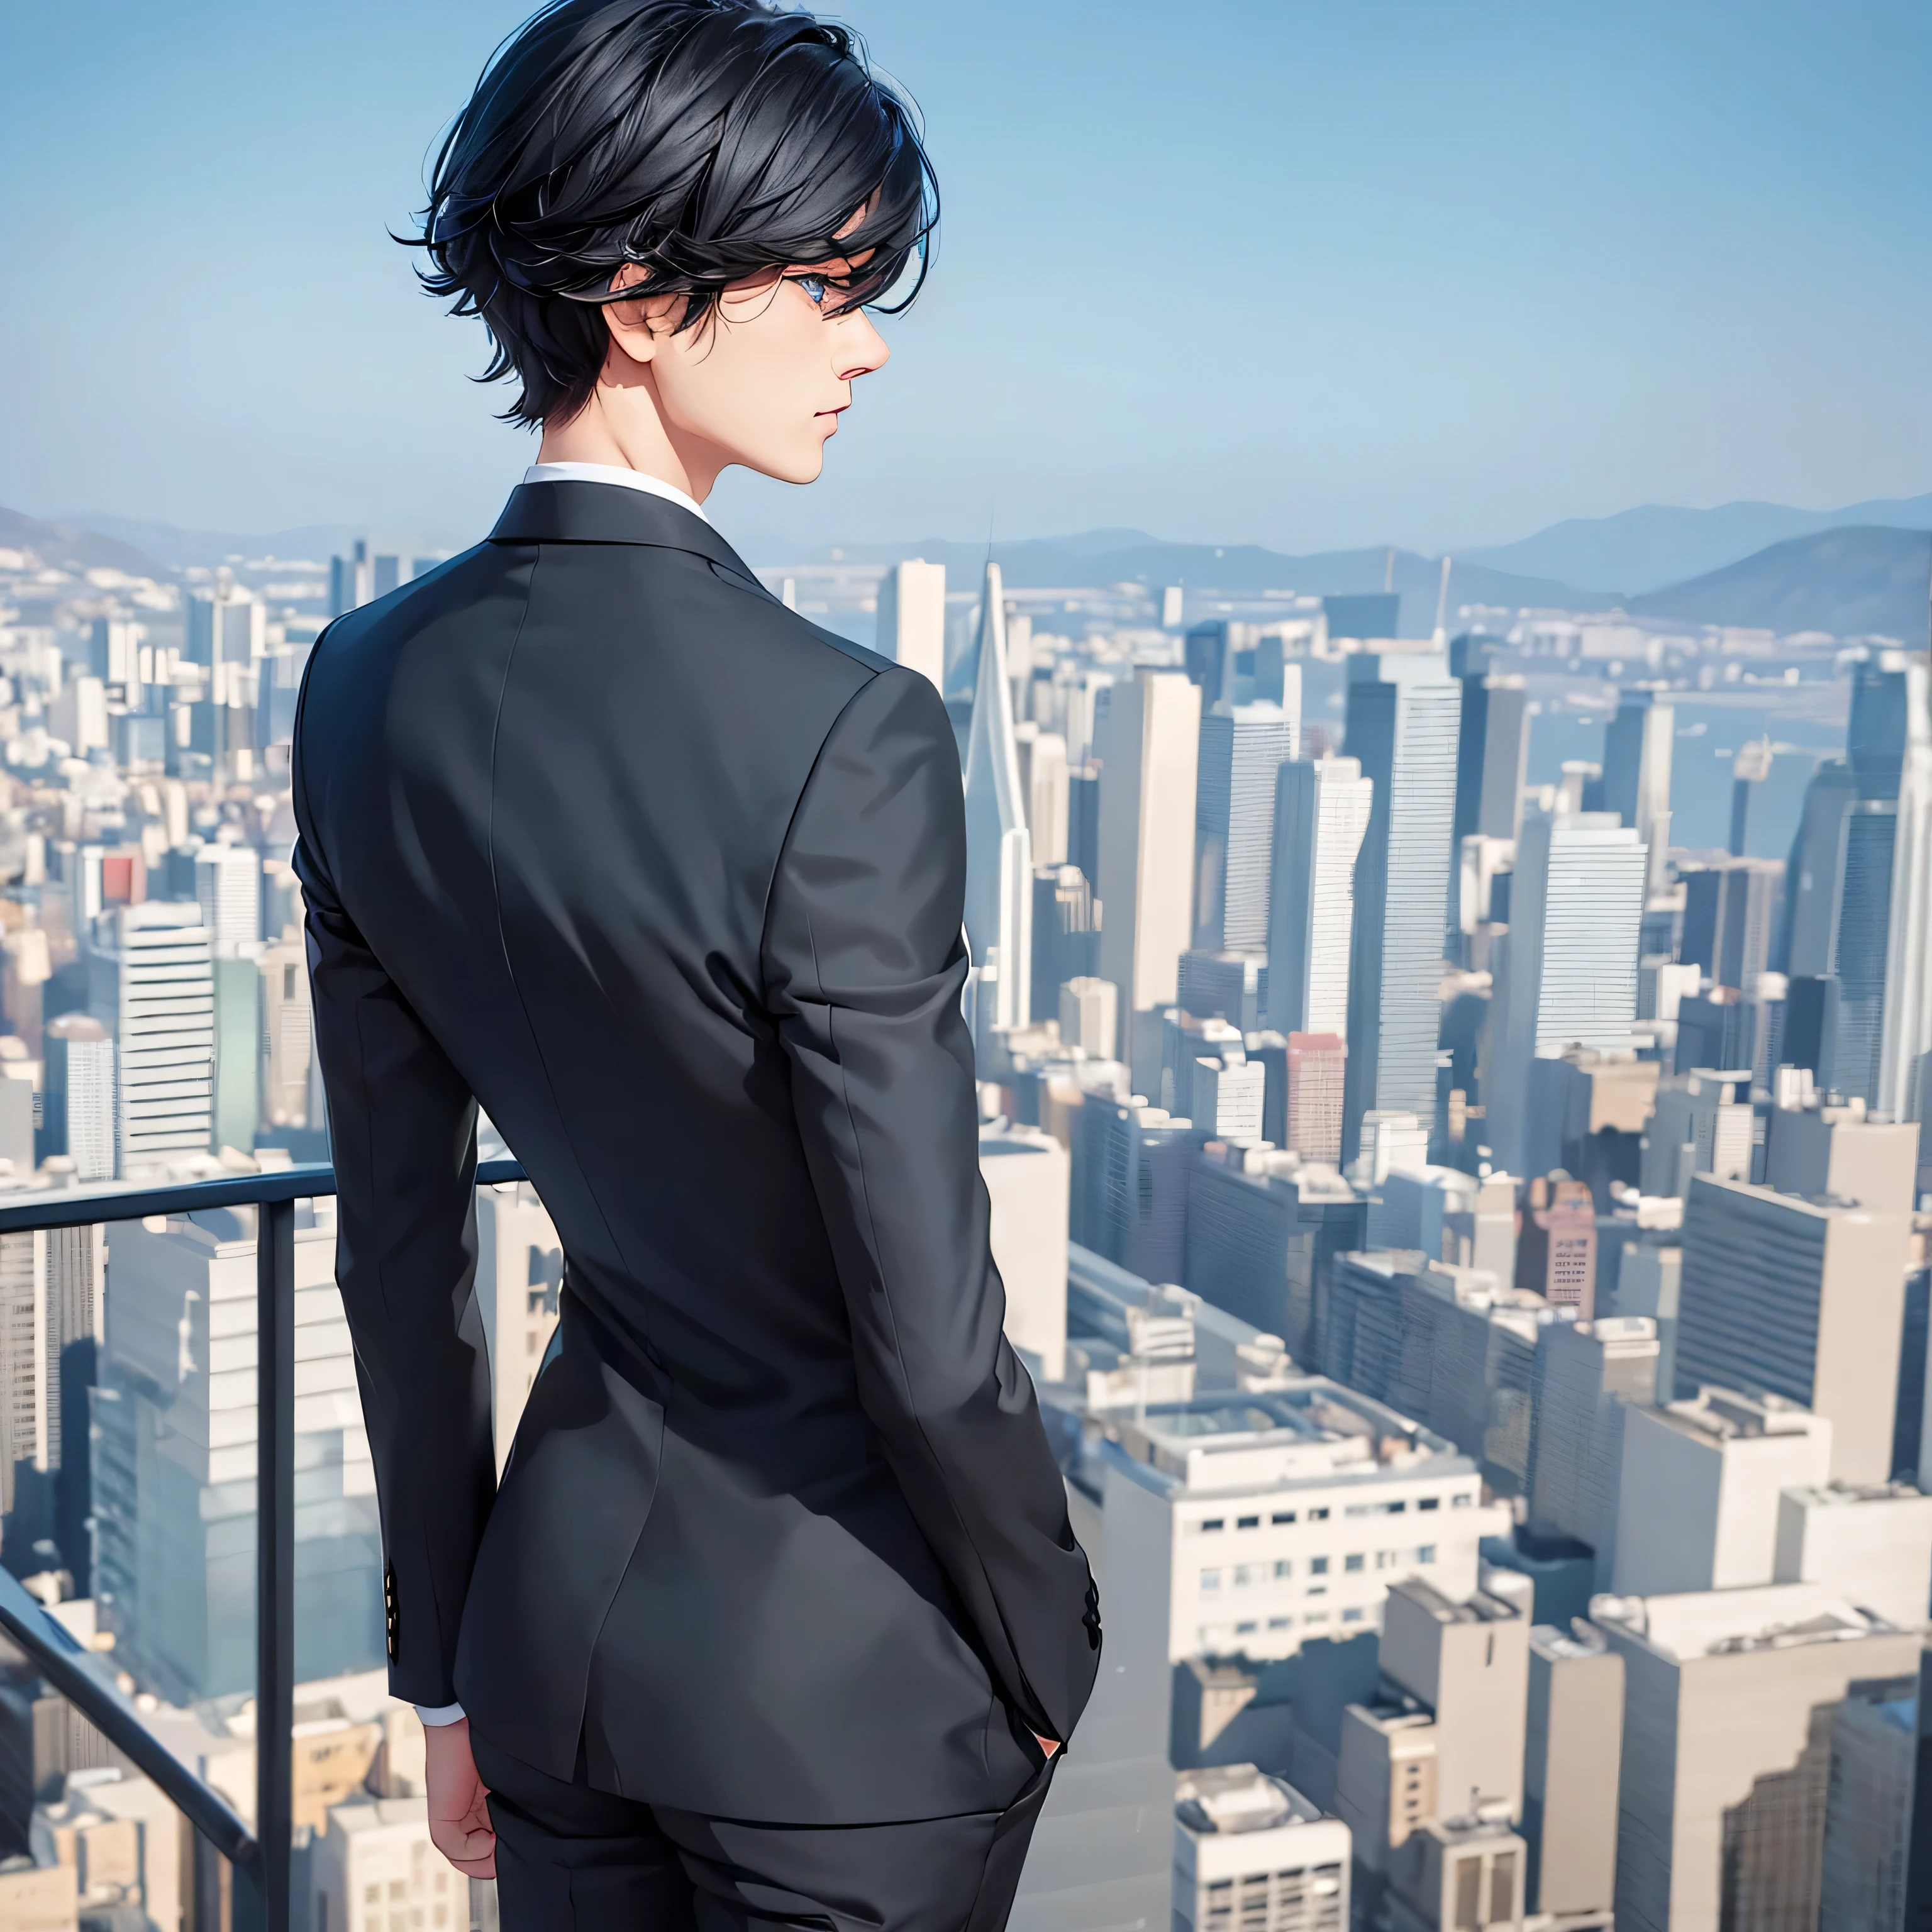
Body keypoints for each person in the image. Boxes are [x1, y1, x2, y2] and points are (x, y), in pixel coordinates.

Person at [289, 2, 1100, 1926]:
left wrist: (440, 1668)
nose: (872, 339)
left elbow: (398, 1248)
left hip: (553, 1650)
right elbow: (924, 1322)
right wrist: (1049, 1639)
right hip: (851, 1698)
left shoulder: (356, 689)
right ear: (645, 300)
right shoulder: (846, 731)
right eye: (830, 283)